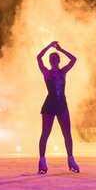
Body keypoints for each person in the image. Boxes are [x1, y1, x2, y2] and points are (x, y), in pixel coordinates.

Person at [36, 41, 79, 174]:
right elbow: (38, 57)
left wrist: (60, 49)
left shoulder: (63, 71)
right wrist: (49, 46)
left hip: (61, 104)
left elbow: (74, 59)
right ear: (49, 61)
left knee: (67, 133)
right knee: (45, 133)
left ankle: (71, 159)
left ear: (59, 60)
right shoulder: (47, 73)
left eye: (55, 59)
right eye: (51, 59)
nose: (53, 60)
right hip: (50, 105)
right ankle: (42, 160)